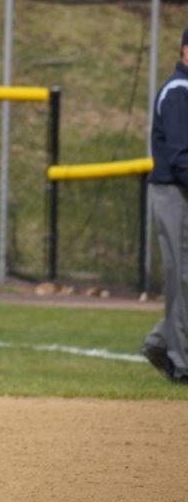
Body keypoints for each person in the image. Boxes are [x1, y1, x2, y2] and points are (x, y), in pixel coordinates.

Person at [142, 27, 188, 384]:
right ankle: (181, 362)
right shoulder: (178, 92)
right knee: (183, 278)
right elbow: (181, 157)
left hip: (180, 190)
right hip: (175, 193)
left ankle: (160, 342)